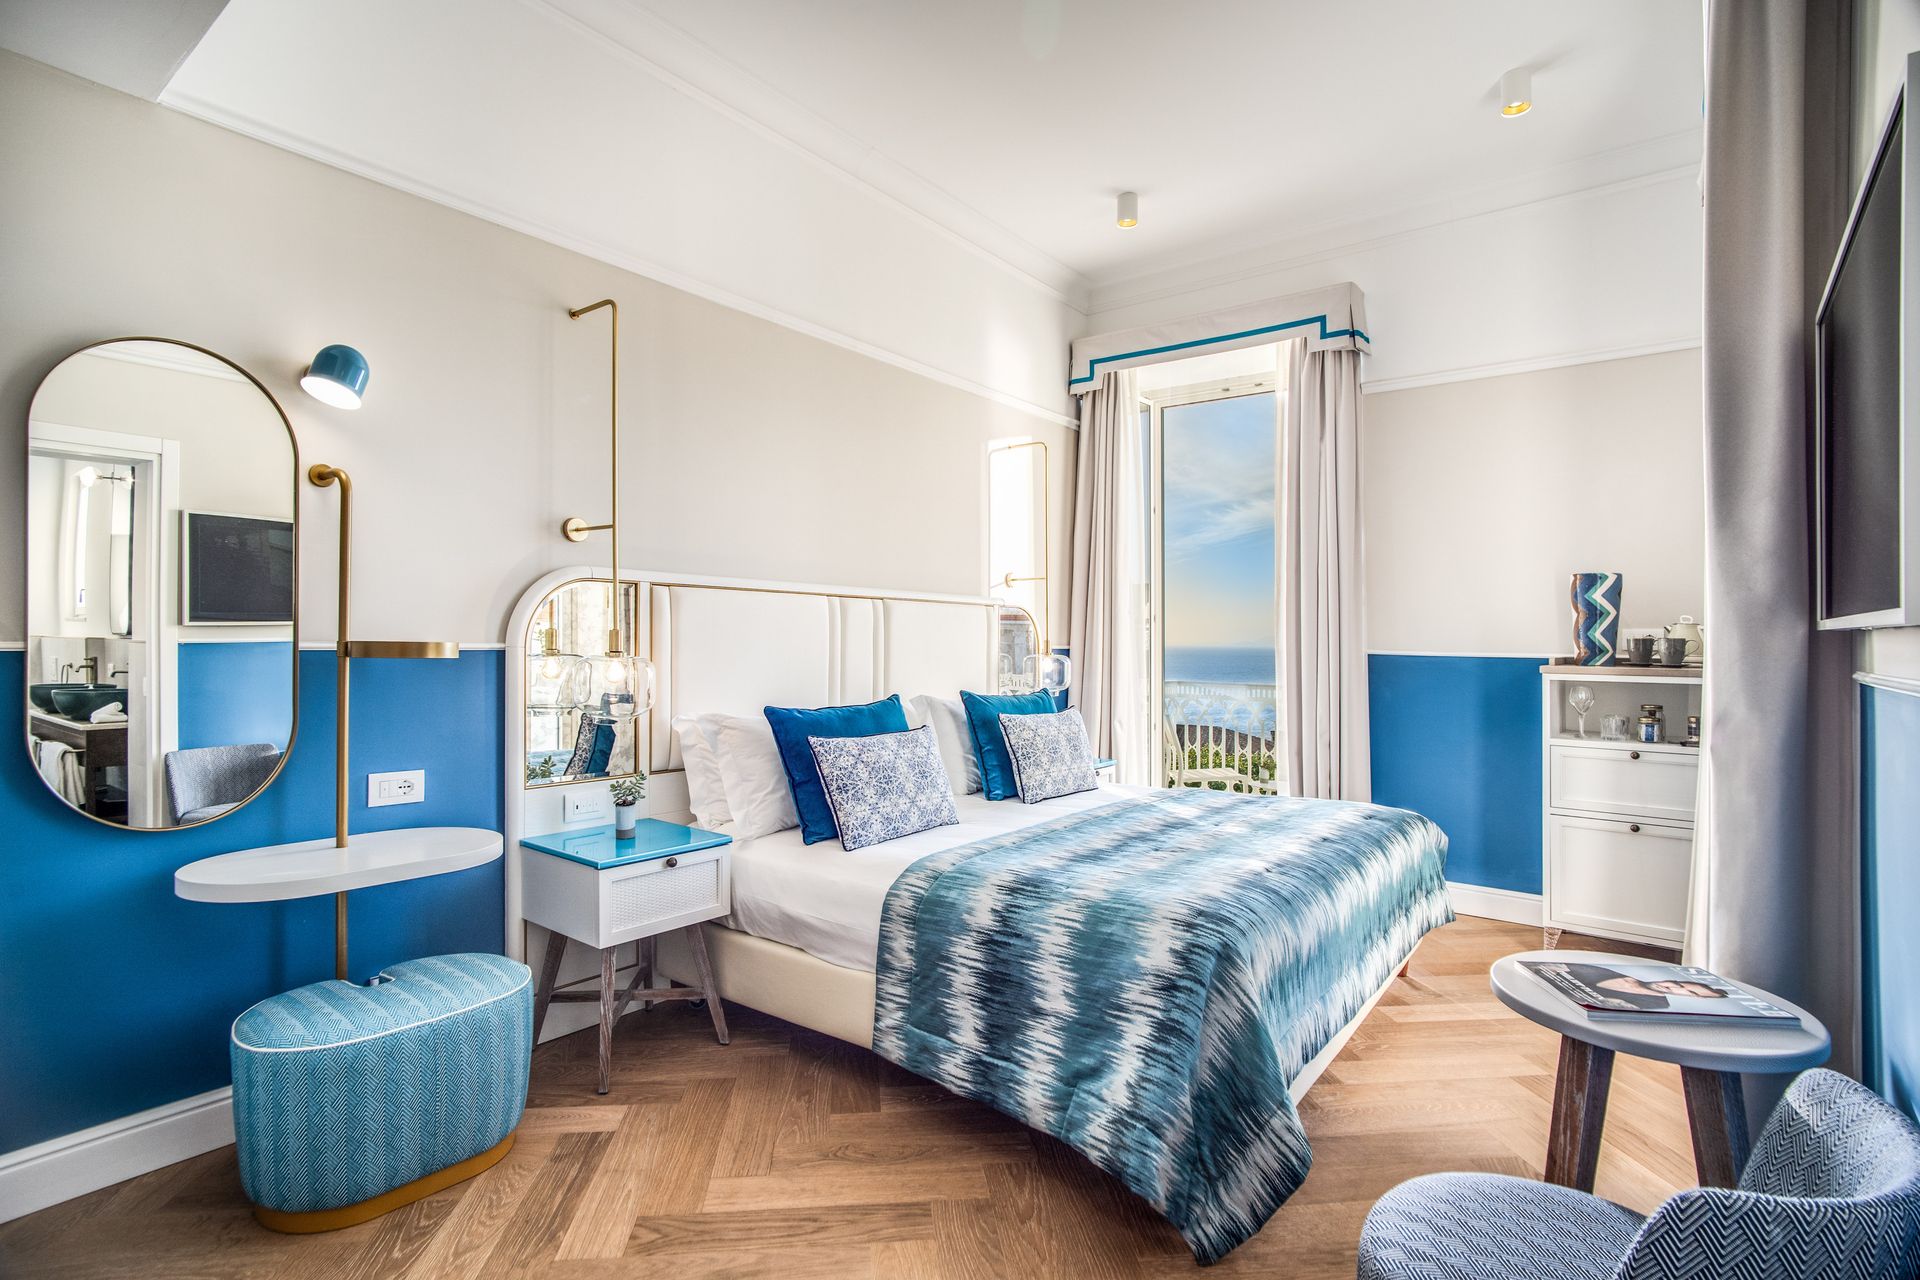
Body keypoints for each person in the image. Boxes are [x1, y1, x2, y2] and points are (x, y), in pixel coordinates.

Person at [1559, 964, 1731, 1011]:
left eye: (1689, 992)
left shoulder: (1655, 1005)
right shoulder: (1619, 972)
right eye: (1678, 983)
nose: (1673, 987)